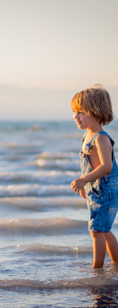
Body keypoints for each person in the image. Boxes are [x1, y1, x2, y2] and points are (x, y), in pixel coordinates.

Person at [71, 84, 118, 268]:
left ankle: (97, 269)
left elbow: (106, 167)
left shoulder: (100, 138)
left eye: (81, 112)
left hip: (105, 191)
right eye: (74, 112)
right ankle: (115, 265)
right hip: (96, 190)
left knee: (97, 230)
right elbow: (90, 166)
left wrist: (84, 180)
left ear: (97, 113)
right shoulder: (87, 136)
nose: (76, 116)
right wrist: (85, 185)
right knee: (103, 229)